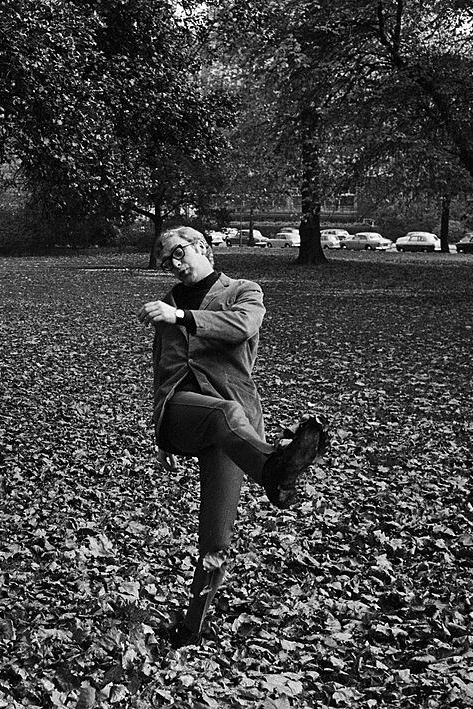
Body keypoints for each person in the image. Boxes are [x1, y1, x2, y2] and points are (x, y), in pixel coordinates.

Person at [136, 225, 328, 648]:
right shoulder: (164, 305)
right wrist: (159, 436)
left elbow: (242, 327)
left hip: (233, 432)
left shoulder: (244, 290)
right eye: (166, 258)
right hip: (181, 412)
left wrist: (183, 317)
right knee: (225, 413)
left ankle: (191, 628)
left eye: (180, 252)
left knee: (216, 540)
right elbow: (162, 371)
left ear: (203, 247)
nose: (174, 263)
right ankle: (274, 470)